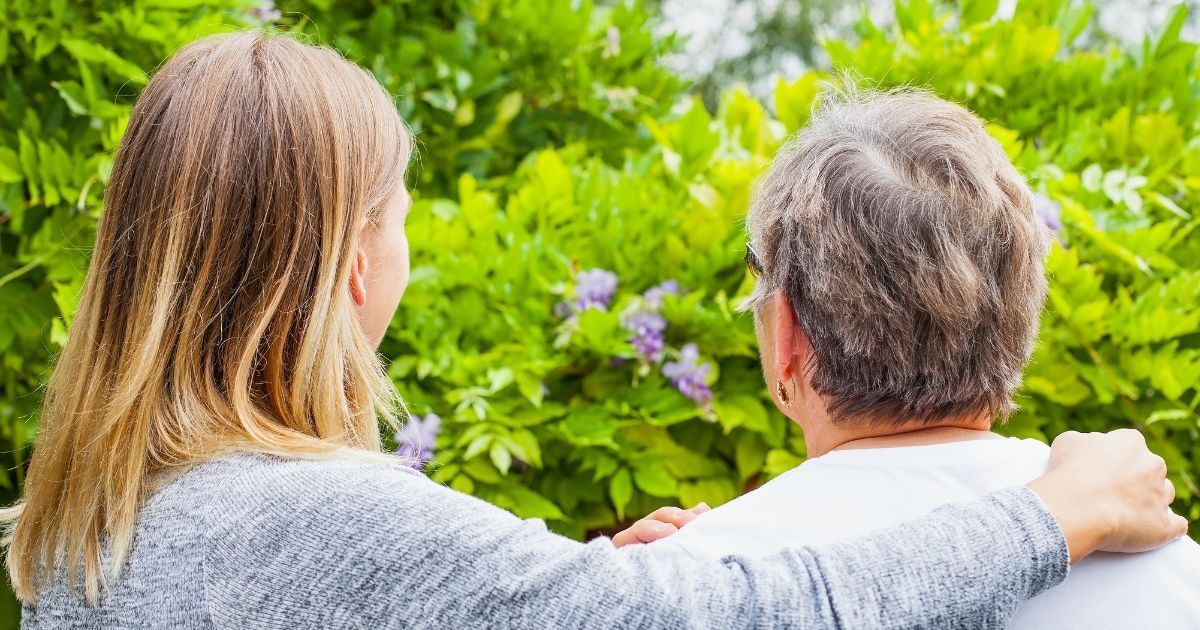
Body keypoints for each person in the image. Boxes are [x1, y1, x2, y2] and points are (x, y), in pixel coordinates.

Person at [3, 32, 1185, 629]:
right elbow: (745, 624)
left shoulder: (99, 525)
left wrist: (558, 589)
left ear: (788, 342)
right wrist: (1049, 516)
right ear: (351, 261)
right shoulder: (300, 513)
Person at [650, 89, 1200, 628]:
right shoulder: (1172, 564)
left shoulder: (689, 583)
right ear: (1024, 305)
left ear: (788, 332)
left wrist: (660, 568)